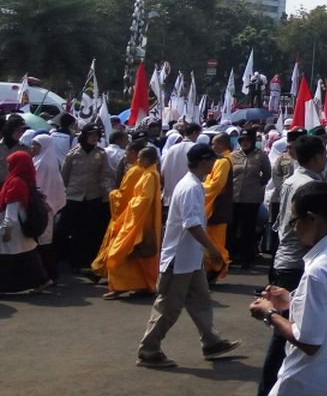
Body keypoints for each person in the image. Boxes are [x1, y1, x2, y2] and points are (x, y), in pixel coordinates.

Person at [249, 181, 327, 396]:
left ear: (312, 219)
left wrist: (269, 313)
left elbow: (308, 341)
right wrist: (292, 299)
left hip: (308, 382)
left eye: (295, 221)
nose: (294, 229)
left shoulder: (318, 270)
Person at [136, 143, 240, 368]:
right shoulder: (191, 187)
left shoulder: (193, 184)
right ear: (204, 162)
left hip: (189, 260)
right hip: (179, 259)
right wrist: (212, 249)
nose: (214, 164)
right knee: (168, 308)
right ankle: (149, 350)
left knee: (201, 301)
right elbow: (191, 224)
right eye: (211, 160)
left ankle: (211, 342)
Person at [260, 136, 327, 395]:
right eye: (322, 155)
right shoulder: (310, 186)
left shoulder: (292, 179)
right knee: (286, 332)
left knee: (292, 331)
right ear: (316, 157)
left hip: (286, 258)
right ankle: (268, 389)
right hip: (298, 261)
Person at [98, 146, 162, 298]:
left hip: (138, 221)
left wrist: (114, 195)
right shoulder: (149, 173)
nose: (138, 160)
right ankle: (140, 285)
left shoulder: (148, 175)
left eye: (140, 157)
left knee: (117, 253)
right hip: (138, 219)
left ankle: (120, 286)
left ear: (146, 159)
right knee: (136, 257)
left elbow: (144, 199)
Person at [59, 123, 116, 273]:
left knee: (89, 230)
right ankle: (69, 259)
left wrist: (109, 192)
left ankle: (86, 260)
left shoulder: (101, 154)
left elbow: (106, 175)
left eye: (96, 136)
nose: (94, 138)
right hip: (73, 196)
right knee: (67, 228)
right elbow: (64, 176)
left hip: (93, 196)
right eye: (91, 135)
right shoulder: (73, 154)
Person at [0, 151, 53, 294]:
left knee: (11, 255)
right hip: (23, 225)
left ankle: (40, 281)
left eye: (10, 162)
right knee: (26, 254)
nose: (8, 165)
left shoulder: (15, 182)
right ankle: (42, 280)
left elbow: (12, 208)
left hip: (16, 227)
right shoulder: (26, 179)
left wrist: (7, 229)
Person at [231, 129, 271, 268]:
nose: (245, 143)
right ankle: (231, 256)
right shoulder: (234, 155)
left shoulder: (260, 156)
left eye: (247, 140)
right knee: (232, 228)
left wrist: (257, 185)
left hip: (251, 198)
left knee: (248, 229)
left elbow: (266, 174)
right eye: (242, 140)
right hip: (234, 197)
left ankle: (246, 258)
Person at [29, 132, 66, 281]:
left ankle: (48, 275)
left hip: (42, 208)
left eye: (36, 145)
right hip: (46, 206)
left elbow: (40, 186)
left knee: (42, 243)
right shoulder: (46, 161)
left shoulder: (42, 164)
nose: (32, 147)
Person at [202, 133, 235, 282]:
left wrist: (200, 187)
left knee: (215, 242)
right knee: (211, 239)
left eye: (214, 144)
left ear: (221, 145)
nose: (212, 147)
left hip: (217, 206)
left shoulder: (223, 161)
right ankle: (211, 269)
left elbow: (216, 185)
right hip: (215, 205)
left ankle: (218, 266)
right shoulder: (221, 160)